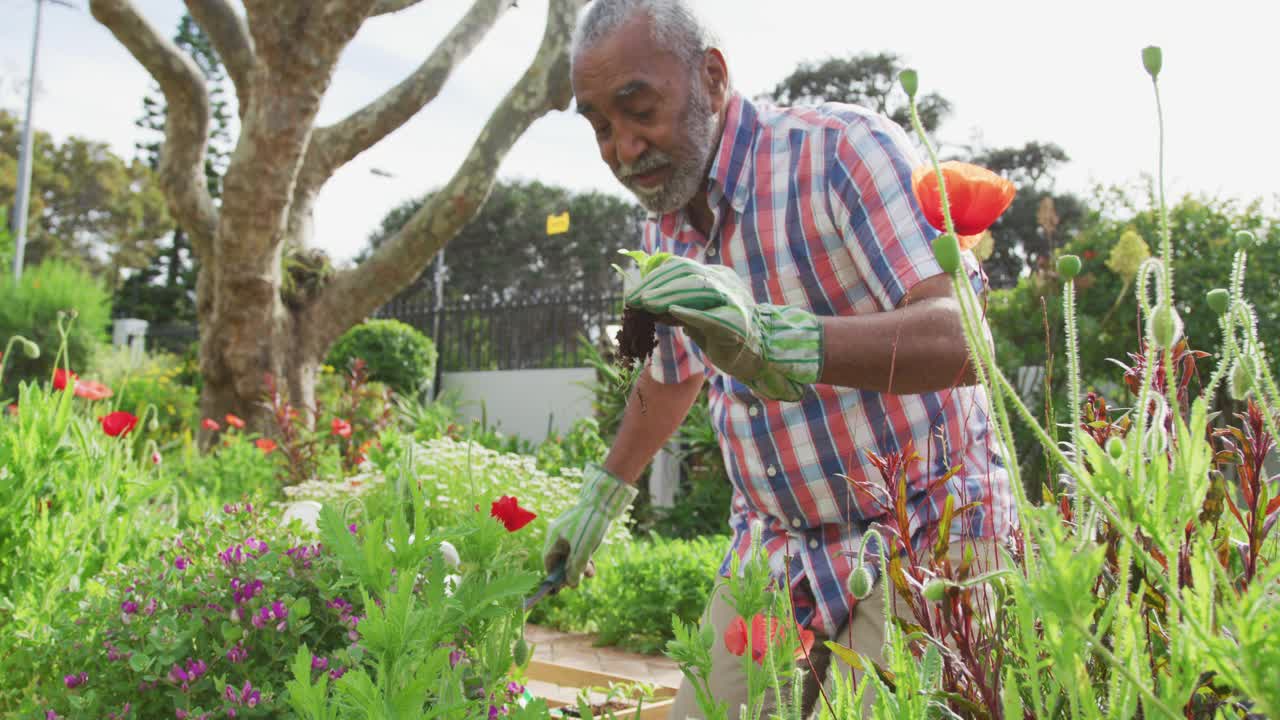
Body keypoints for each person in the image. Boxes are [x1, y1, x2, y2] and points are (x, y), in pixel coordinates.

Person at [541, 1, 1018, 717]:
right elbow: (671, 375)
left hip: (928, 527)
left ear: (710, 77)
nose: (623, 148)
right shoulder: (663, 225)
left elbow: (963, 338)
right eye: (601, 126)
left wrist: (784, 341)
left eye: (639, 110)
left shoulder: (840, 153)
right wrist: (600, 499)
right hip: (774, 549)